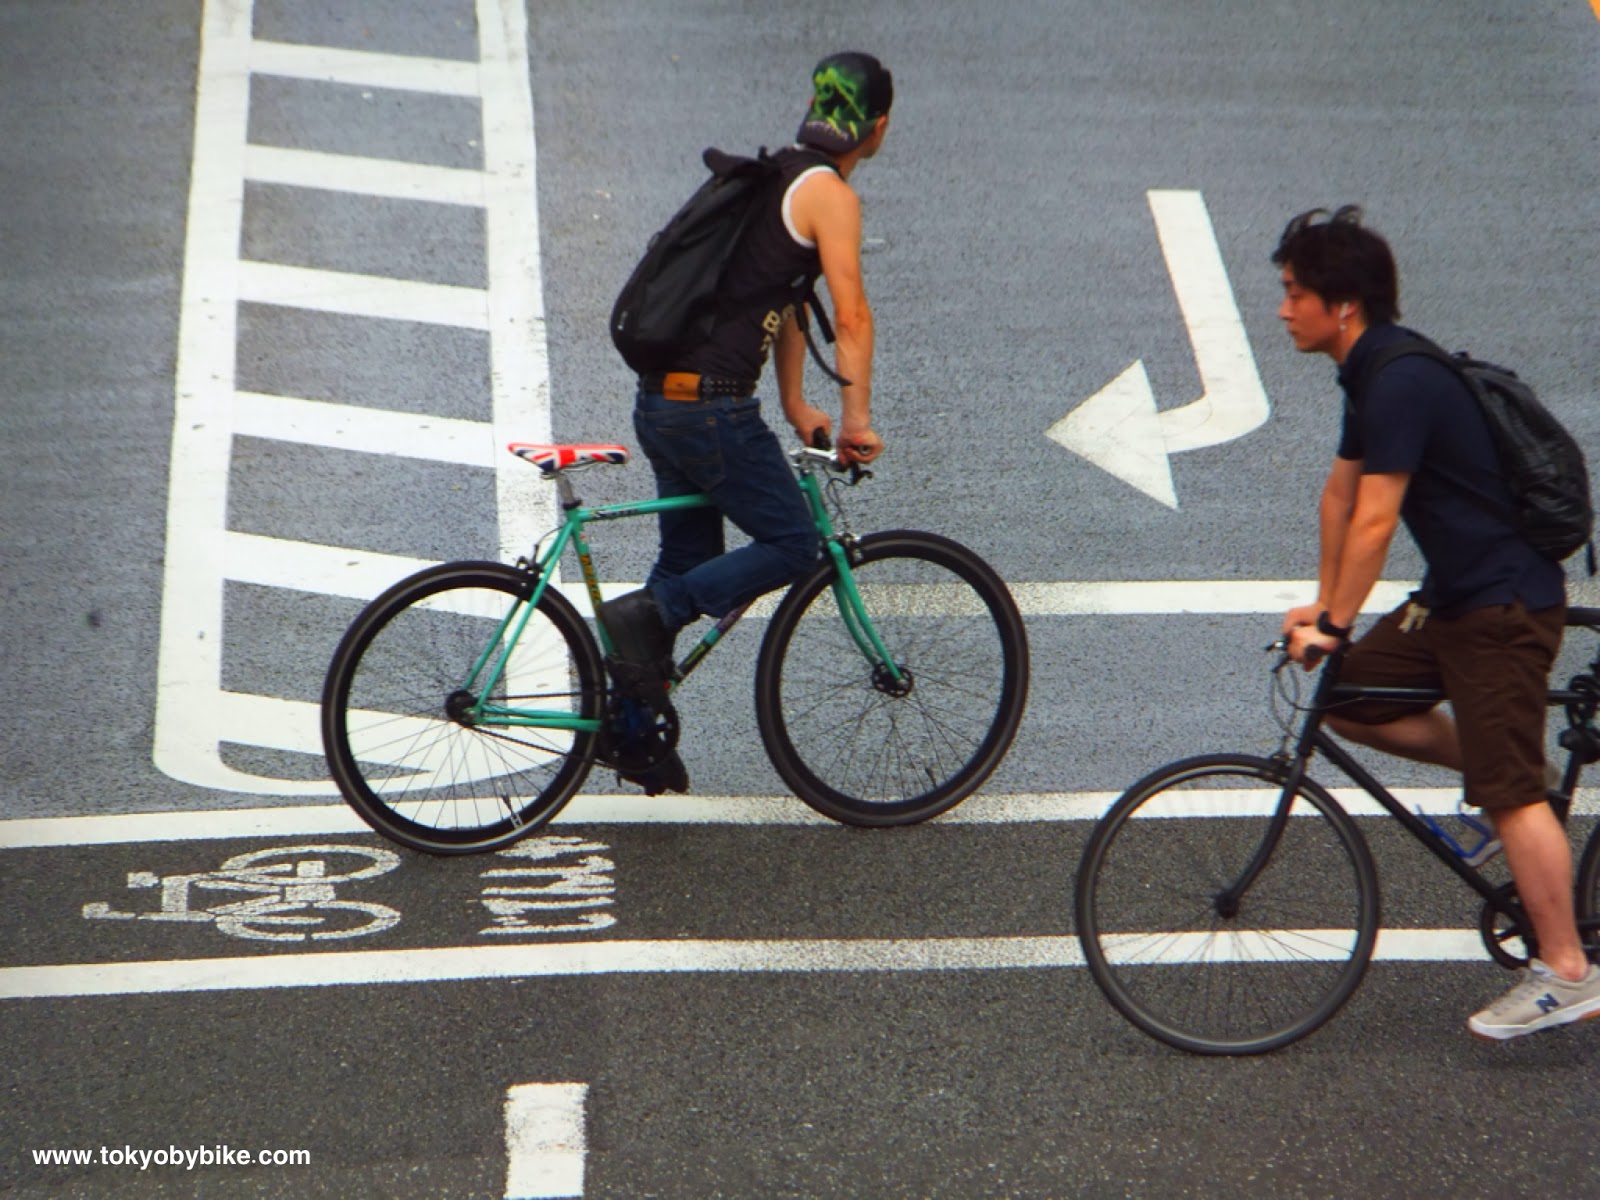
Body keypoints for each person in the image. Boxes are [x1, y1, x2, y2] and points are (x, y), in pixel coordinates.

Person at [1273, 205, 1600, 1041]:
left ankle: (1566, 970)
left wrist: (1336, 620)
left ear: (1343, 304)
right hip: (1452, 598)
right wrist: (1323, 607)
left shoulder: (1401, 381)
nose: (1283, 309)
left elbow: (1377, 519)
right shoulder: (1369, 371)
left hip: (1501, 606)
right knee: (1349, 695)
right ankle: (1503, 779)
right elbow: (1340, 497)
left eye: (1295, 293)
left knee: (1511, 790)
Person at [599, 51, 892, 792]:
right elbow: (851, 316)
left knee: (684, 562)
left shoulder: (776, 177)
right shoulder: (830, 195)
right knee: (795, 543)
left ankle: (630, 735)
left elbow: (785, 299)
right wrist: (856, 421)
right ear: (879, 127)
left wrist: (796, 404)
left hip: (663, 402)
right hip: (711, 409)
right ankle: (651, 614)